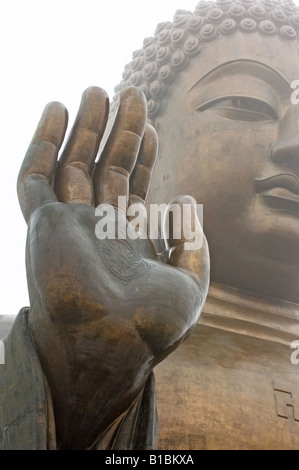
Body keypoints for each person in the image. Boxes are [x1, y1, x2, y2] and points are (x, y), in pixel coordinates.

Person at [1, 0, 299, 450]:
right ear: (140, 147)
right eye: (247, 102)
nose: (294, 145)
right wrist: (86, 383)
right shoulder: (21, 349)